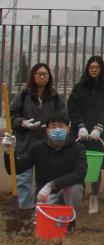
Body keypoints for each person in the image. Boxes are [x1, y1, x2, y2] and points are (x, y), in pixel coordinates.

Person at [3, 114, 86, 228]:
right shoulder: (37, 148)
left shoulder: (78, 148)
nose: (57, 130)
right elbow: (15, 169)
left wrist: (51, 185)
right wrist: (9, 151)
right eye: (53, 127)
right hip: (45, 195)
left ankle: (70, 222)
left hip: (66, 192)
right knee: (47, 226)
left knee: (75, 188)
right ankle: (43, 215)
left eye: (61, 126)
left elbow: (79, 174)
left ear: (68, 129)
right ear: (47, 130)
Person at [9, 62, 68, 209]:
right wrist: (22, 123)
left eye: (45, 74)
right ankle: (25, 210)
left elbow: (63, 117)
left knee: (45, 181)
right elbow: (12, 116)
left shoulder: (56, 97)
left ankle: (41, 211)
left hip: (48, 144)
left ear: (49, 77)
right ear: (33, 76)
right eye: (39, 74)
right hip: (26, 143)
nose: (42, 77)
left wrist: (51, 126)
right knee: (24, 180)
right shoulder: (24, 95)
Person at [67, 55, 104, 214]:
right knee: (79, 163)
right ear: (88, 69)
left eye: (97, 67)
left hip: (99, 132)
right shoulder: (79, 87)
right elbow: (73, 107)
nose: (94, 70)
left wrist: (100, 127)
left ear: (101, 69)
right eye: (91, 67)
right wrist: (80, 126)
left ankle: (94, 197)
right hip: (81, 132)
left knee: (96, 165)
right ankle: (79, 194)